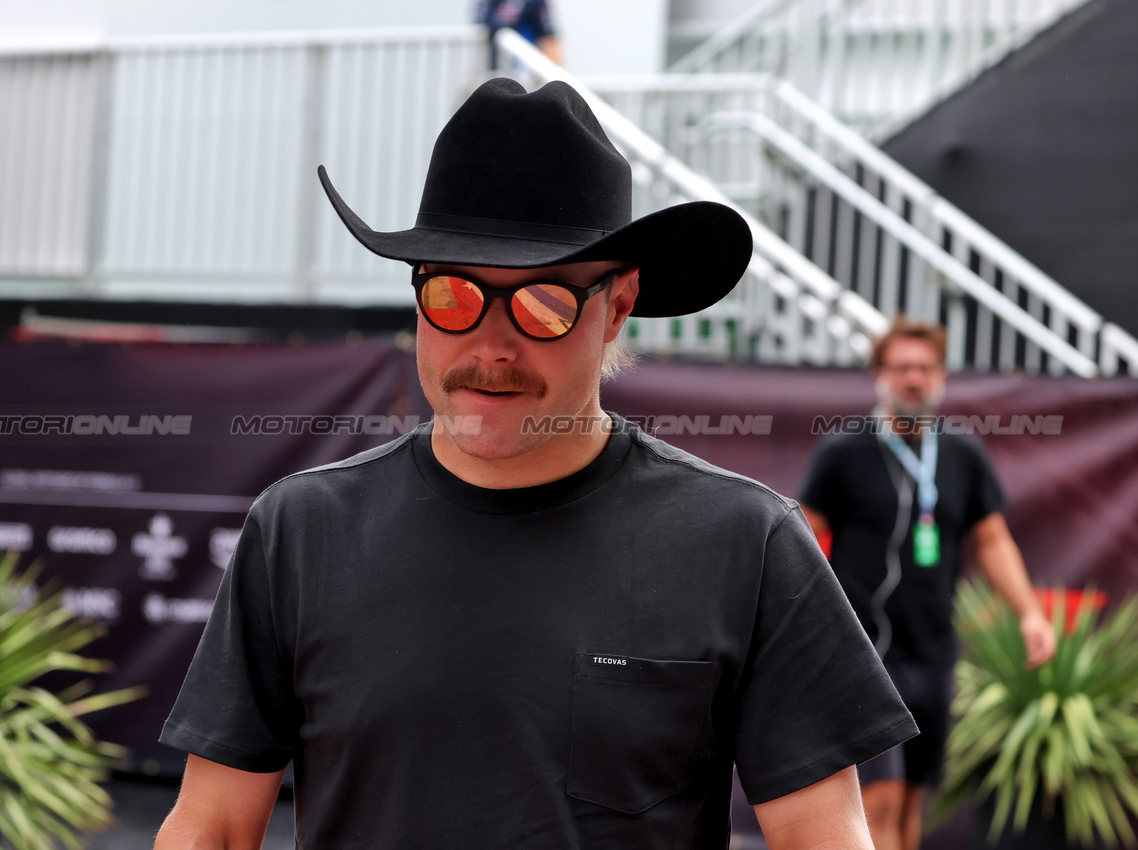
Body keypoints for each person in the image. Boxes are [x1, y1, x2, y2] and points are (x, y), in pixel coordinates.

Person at [154, 78, 918, 850]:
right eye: (452, 296)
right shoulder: (302, 530)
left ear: (617, 304)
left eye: (543, 305)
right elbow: (211, 824)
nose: (490, 348)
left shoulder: (742, 543)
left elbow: (823, 839)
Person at [797, 317, 1058, 850]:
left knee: (913, 801)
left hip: (933, 651)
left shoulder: (962, 453)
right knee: (880, 800)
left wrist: (1029, 613)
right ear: (879, 375)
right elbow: (798, 534)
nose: (914, 378)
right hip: (862, 651)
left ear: (941, 375)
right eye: (902, 367)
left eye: (925, 367)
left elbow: (993, 540)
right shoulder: (843, 451)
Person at [478, 0, 562, 69]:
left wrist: (554, 79)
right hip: (489, 70)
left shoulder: (532, 2)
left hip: (523, 69)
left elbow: (548, 39)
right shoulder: (485, 4)